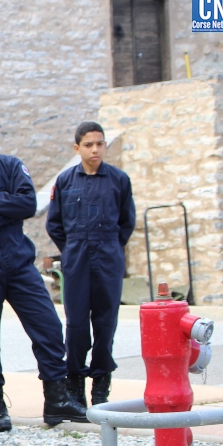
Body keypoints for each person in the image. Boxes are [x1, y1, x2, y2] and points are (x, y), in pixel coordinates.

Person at [0, 110, 87, 429]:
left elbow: (28, 204)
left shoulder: (12, 166)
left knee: (48, 327)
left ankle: (56, 400)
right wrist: (5, 204)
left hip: (18, 262)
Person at [47, 121, 136, 407]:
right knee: (76, 324)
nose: (95, 149)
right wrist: (72, 249)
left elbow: (127, 221)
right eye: (88, 145)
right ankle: (74, 385)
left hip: (108, 256)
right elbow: (54, 224)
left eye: (99, 144)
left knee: (105, 322)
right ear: (77, 148)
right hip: (76, 256)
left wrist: (111, 247)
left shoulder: (119, 179)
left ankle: (100, 386)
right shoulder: (65, 181)